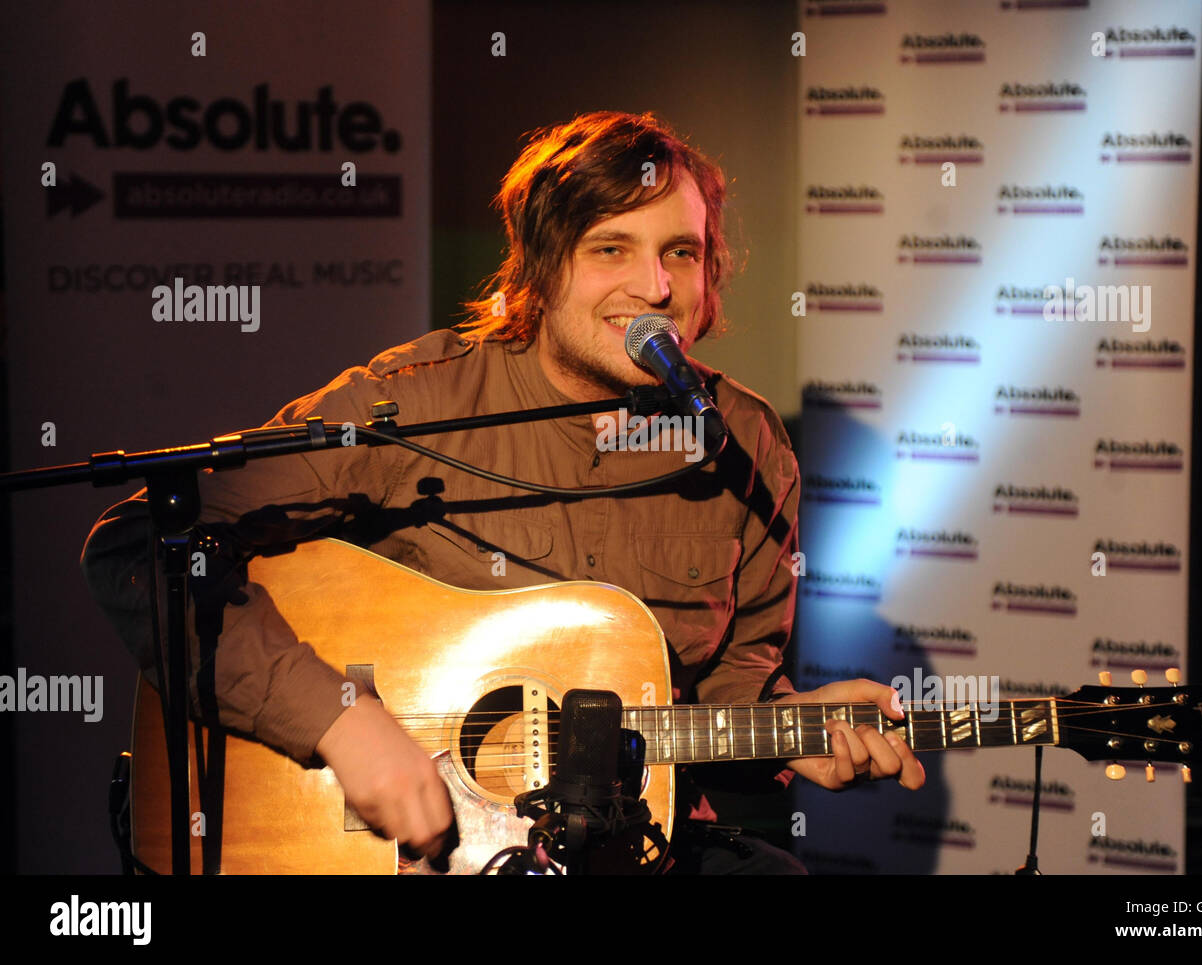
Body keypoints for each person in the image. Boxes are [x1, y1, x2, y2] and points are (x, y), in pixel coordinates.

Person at [81, 110, 923, 873]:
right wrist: (340, 723)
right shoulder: (408, 405)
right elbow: (141, 546)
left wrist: (796, 730)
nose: (656, 289)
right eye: (611, 249)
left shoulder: (747, 445)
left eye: (680, 252)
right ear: (543, 266)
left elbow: (722, 695)